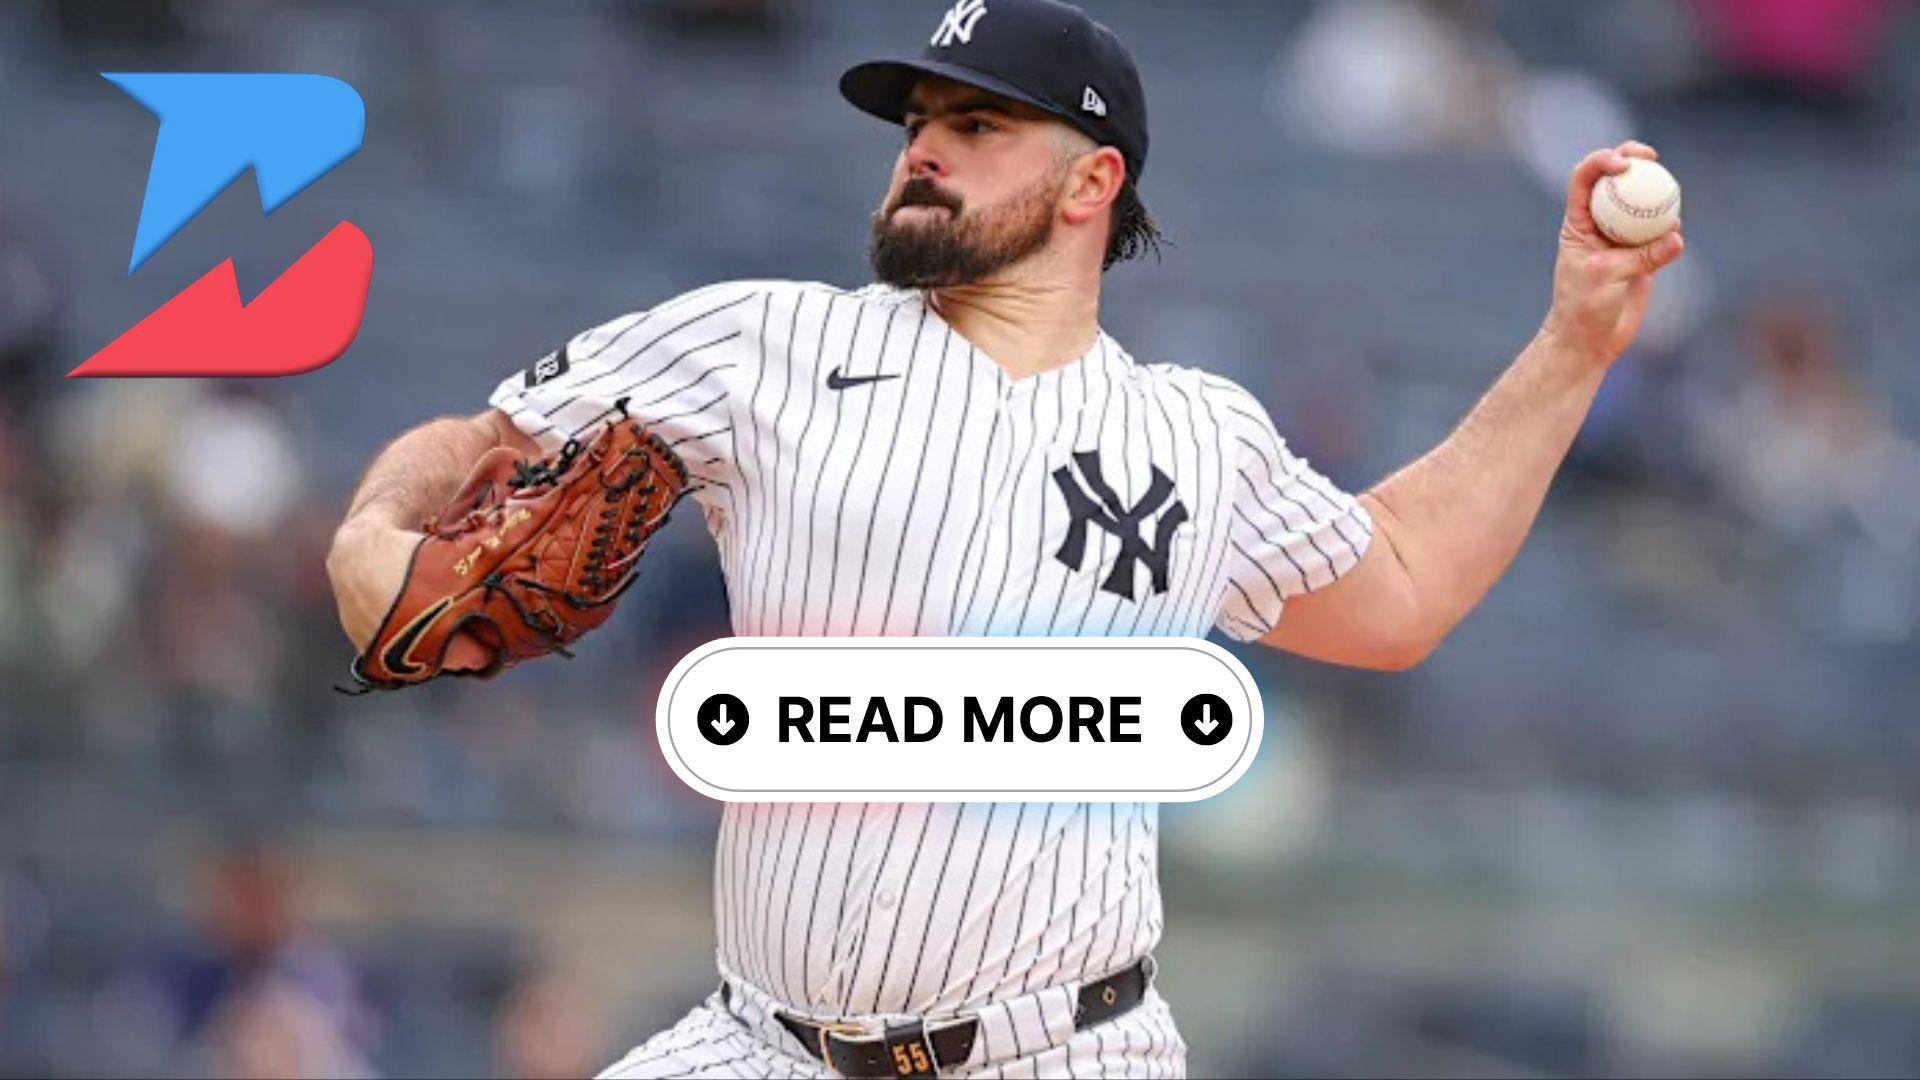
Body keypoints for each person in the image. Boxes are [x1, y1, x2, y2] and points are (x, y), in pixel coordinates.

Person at [324, 1, 1684, 1074]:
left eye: (977, 125)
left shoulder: (1196, 435)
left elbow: (1401, 590)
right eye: (917, 119)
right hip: (759, 1048)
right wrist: (378, 523)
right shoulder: (761, 341)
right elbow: (486, 444)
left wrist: (1576, 337)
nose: (923, 145)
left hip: (1068, 1054)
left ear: (1093, 181)